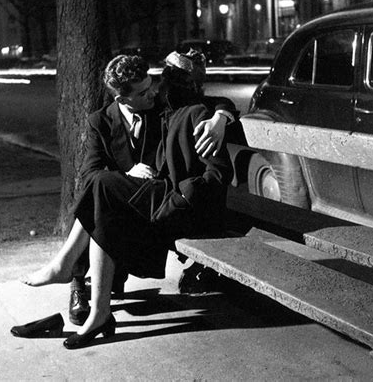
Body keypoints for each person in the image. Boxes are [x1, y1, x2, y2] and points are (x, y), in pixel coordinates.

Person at [21, 49, 233, 349]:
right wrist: (129, 172)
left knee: (104, 188)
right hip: (140, 201)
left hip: (168, 203)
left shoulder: (179, 111)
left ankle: (69, 270)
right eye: (148, 90)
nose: (156, 92)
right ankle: (97, 308)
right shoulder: (102, 121)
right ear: (122, 99)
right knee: (101, 188)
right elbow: (89, 173)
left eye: (158, 85)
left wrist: (221, 117)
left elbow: (216, 122)